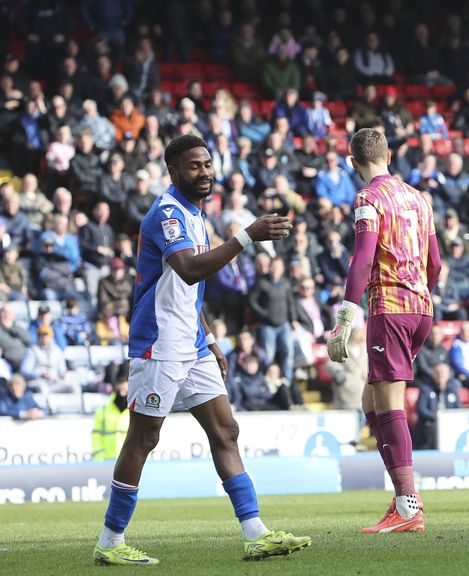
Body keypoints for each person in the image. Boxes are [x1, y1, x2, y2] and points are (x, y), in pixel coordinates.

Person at [92, 135, 308, 566]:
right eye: (194, 166)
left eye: (208, 164)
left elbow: (186, 292)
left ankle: (255, 534)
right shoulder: (167, 214)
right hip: (160, 344)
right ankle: (110, 542)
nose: (205, 172)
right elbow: (189, 270)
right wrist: (246, 236)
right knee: (143, 438)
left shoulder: (195, 214)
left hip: (192, 344)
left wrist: (208, 338)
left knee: (226, 431)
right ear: (173, 172)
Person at [326, 128, 441, 534]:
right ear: (389, 156)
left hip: (389, 308)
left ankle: (408, 506)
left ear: (353, 162)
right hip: (421, 309)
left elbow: (362, 259)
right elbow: (436, 263)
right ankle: (401, 498)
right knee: (371, 402)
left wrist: (344, 318)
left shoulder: (368, 199)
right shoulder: (419, 198)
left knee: (389, 404)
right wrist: (420, 294)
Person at [92, 367, 130, 461]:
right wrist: (100, 460)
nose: (122, 387)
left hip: (129, 463)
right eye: (120, 383)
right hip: (106, 463)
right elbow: (96, 437)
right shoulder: (102, 411)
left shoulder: (135, 412)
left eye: (125, 383)